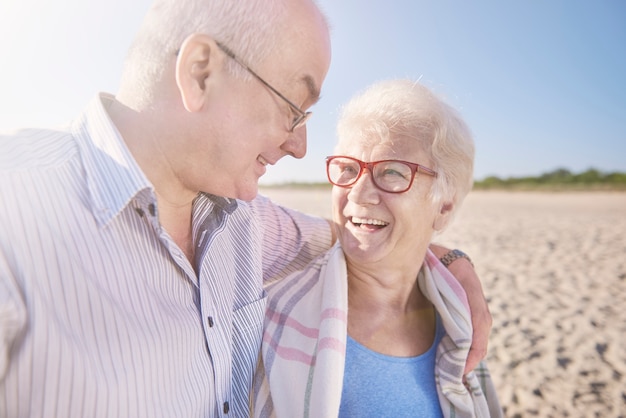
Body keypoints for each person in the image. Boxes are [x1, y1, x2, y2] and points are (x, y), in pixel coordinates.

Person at [0, 1, 490, 417]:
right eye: (295, 108)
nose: (299, 146)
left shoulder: (244, 222)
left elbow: (357, 235)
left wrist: (448, 259)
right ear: (200, 73)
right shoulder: (16, 211)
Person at [252, 79, 502, 417]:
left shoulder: (456, 318)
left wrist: (455, 260)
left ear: (443, 206)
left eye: (392, 172)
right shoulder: (275, 318)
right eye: (348, 169)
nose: (357, 193)